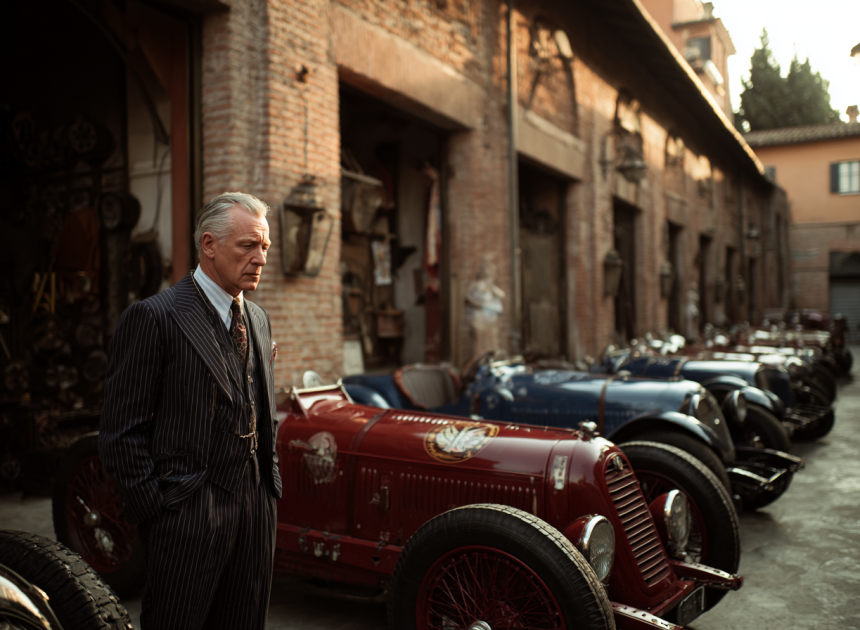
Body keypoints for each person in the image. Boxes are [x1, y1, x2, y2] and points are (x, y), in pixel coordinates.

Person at [100, 192, 282, 630]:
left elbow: (260, 407)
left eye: (264, 247)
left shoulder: (257, 318)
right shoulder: (154, 317)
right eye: (248, 245)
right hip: (186, 514)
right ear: (209, 245)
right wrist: (161, 515)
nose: (260, 258)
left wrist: (268, 488)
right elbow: (120, 433)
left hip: (256, 510)